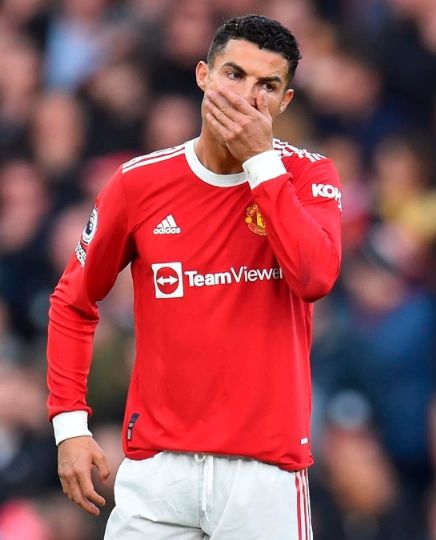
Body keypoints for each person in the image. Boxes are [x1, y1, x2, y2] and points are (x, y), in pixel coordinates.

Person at [46, 14, 342, 539]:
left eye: (267, 86)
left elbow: (315, 277)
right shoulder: (139, 184)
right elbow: (73, 302)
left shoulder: (306, 175)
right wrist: (69, 426)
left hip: (265, 477)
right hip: (158, 473)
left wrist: (260, 164)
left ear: (285, 103)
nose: (246, 97)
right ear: (203, 75)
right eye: (234, 75)